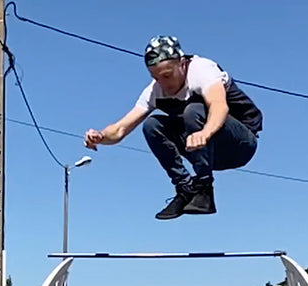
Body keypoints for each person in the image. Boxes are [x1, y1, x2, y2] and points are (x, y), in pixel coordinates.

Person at [84, 35, 263, 220]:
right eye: (156, 78)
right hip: (206, 153)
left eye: (167, 75)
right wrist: (101, 136)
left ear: (182, 63)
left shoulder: (202, 70)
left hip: (240, 144)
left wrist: (206, 132)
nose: (163, 83)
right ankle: (185, 188)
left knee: (193, 111)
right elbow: (121, 128)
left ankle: (204, 188)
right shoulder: (154, 91)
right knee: (152, 125)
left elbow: (218, 105)